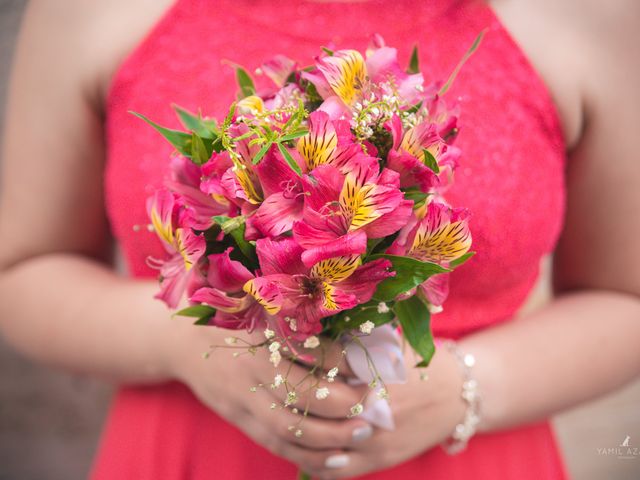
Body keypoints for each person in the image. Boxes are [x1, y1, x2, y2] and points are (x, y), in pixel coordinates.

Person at [0, 0, 638, 478]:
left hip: (469, 451)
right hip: (190, 450)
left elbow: (627, 297)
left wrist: (469, 388)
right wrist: (186, 338)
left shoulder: (588, 13)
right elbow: (20, 270)